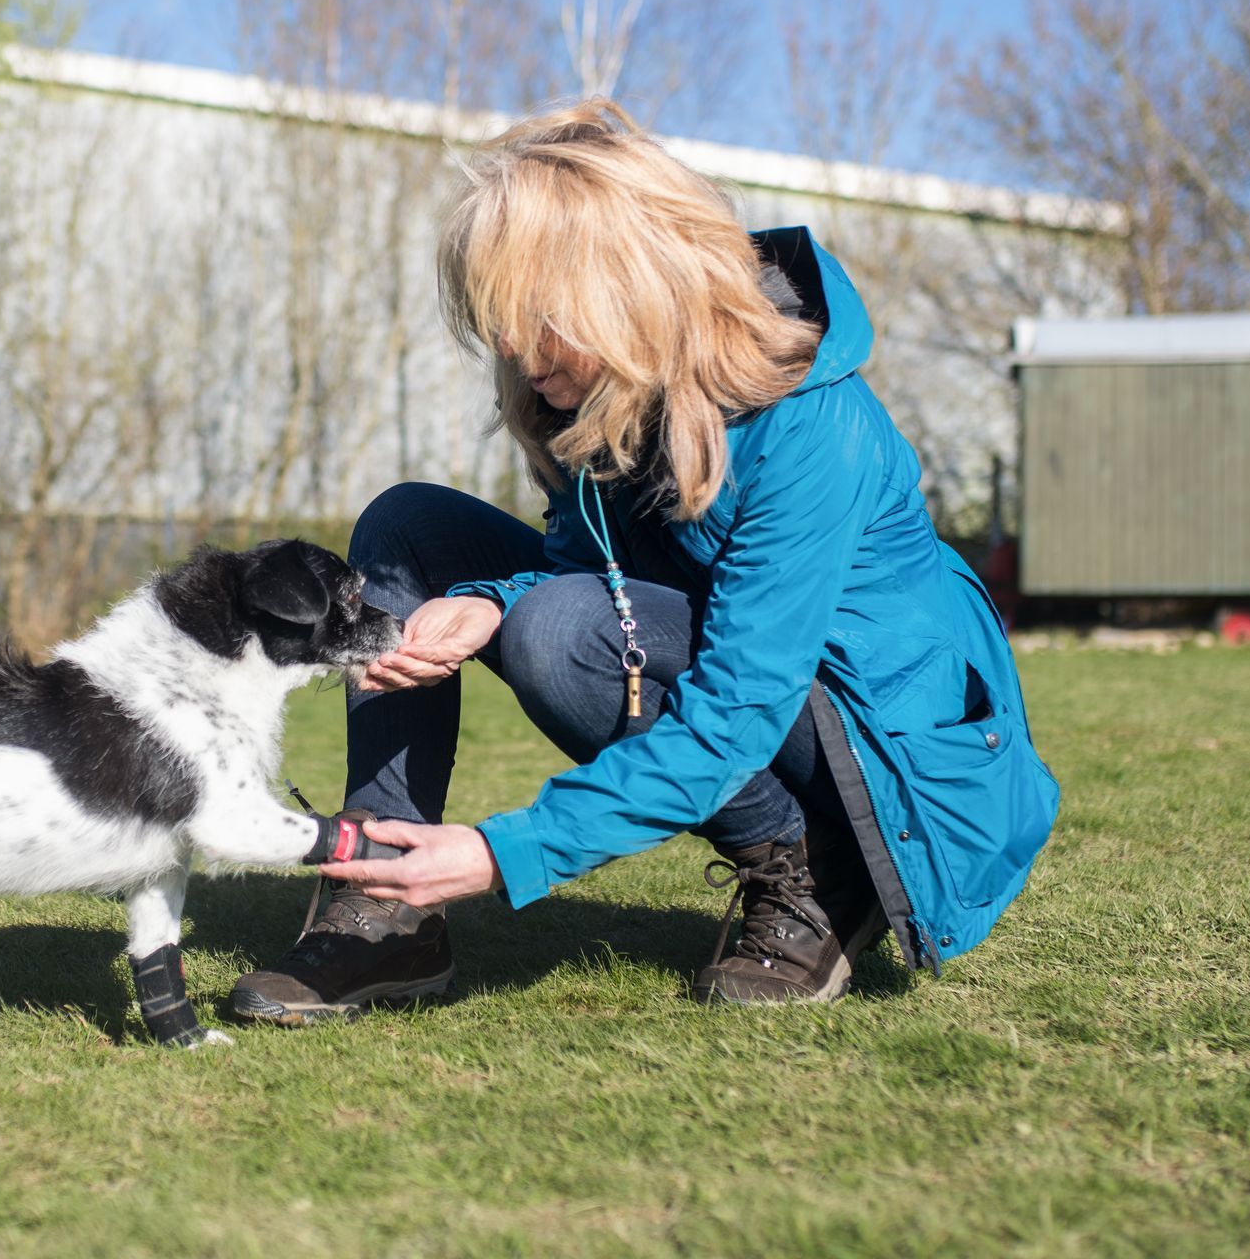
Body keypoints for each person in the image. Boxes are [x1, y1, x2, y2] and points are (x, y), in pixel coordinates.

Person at [230, 99, 1060, 1021]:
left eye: (530, 314)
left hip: (879, 751)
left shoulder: (811, 425)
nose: (507, 346)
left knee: (564, 635)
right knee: (409, 524)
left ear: (620, 288)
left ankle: (817, 866)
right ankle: (385, 889)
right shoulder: (596, 391)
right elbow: (587, 567)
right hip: (741, 672)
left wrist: (504, 853)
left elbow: (737, 705)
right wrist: (492, 598)